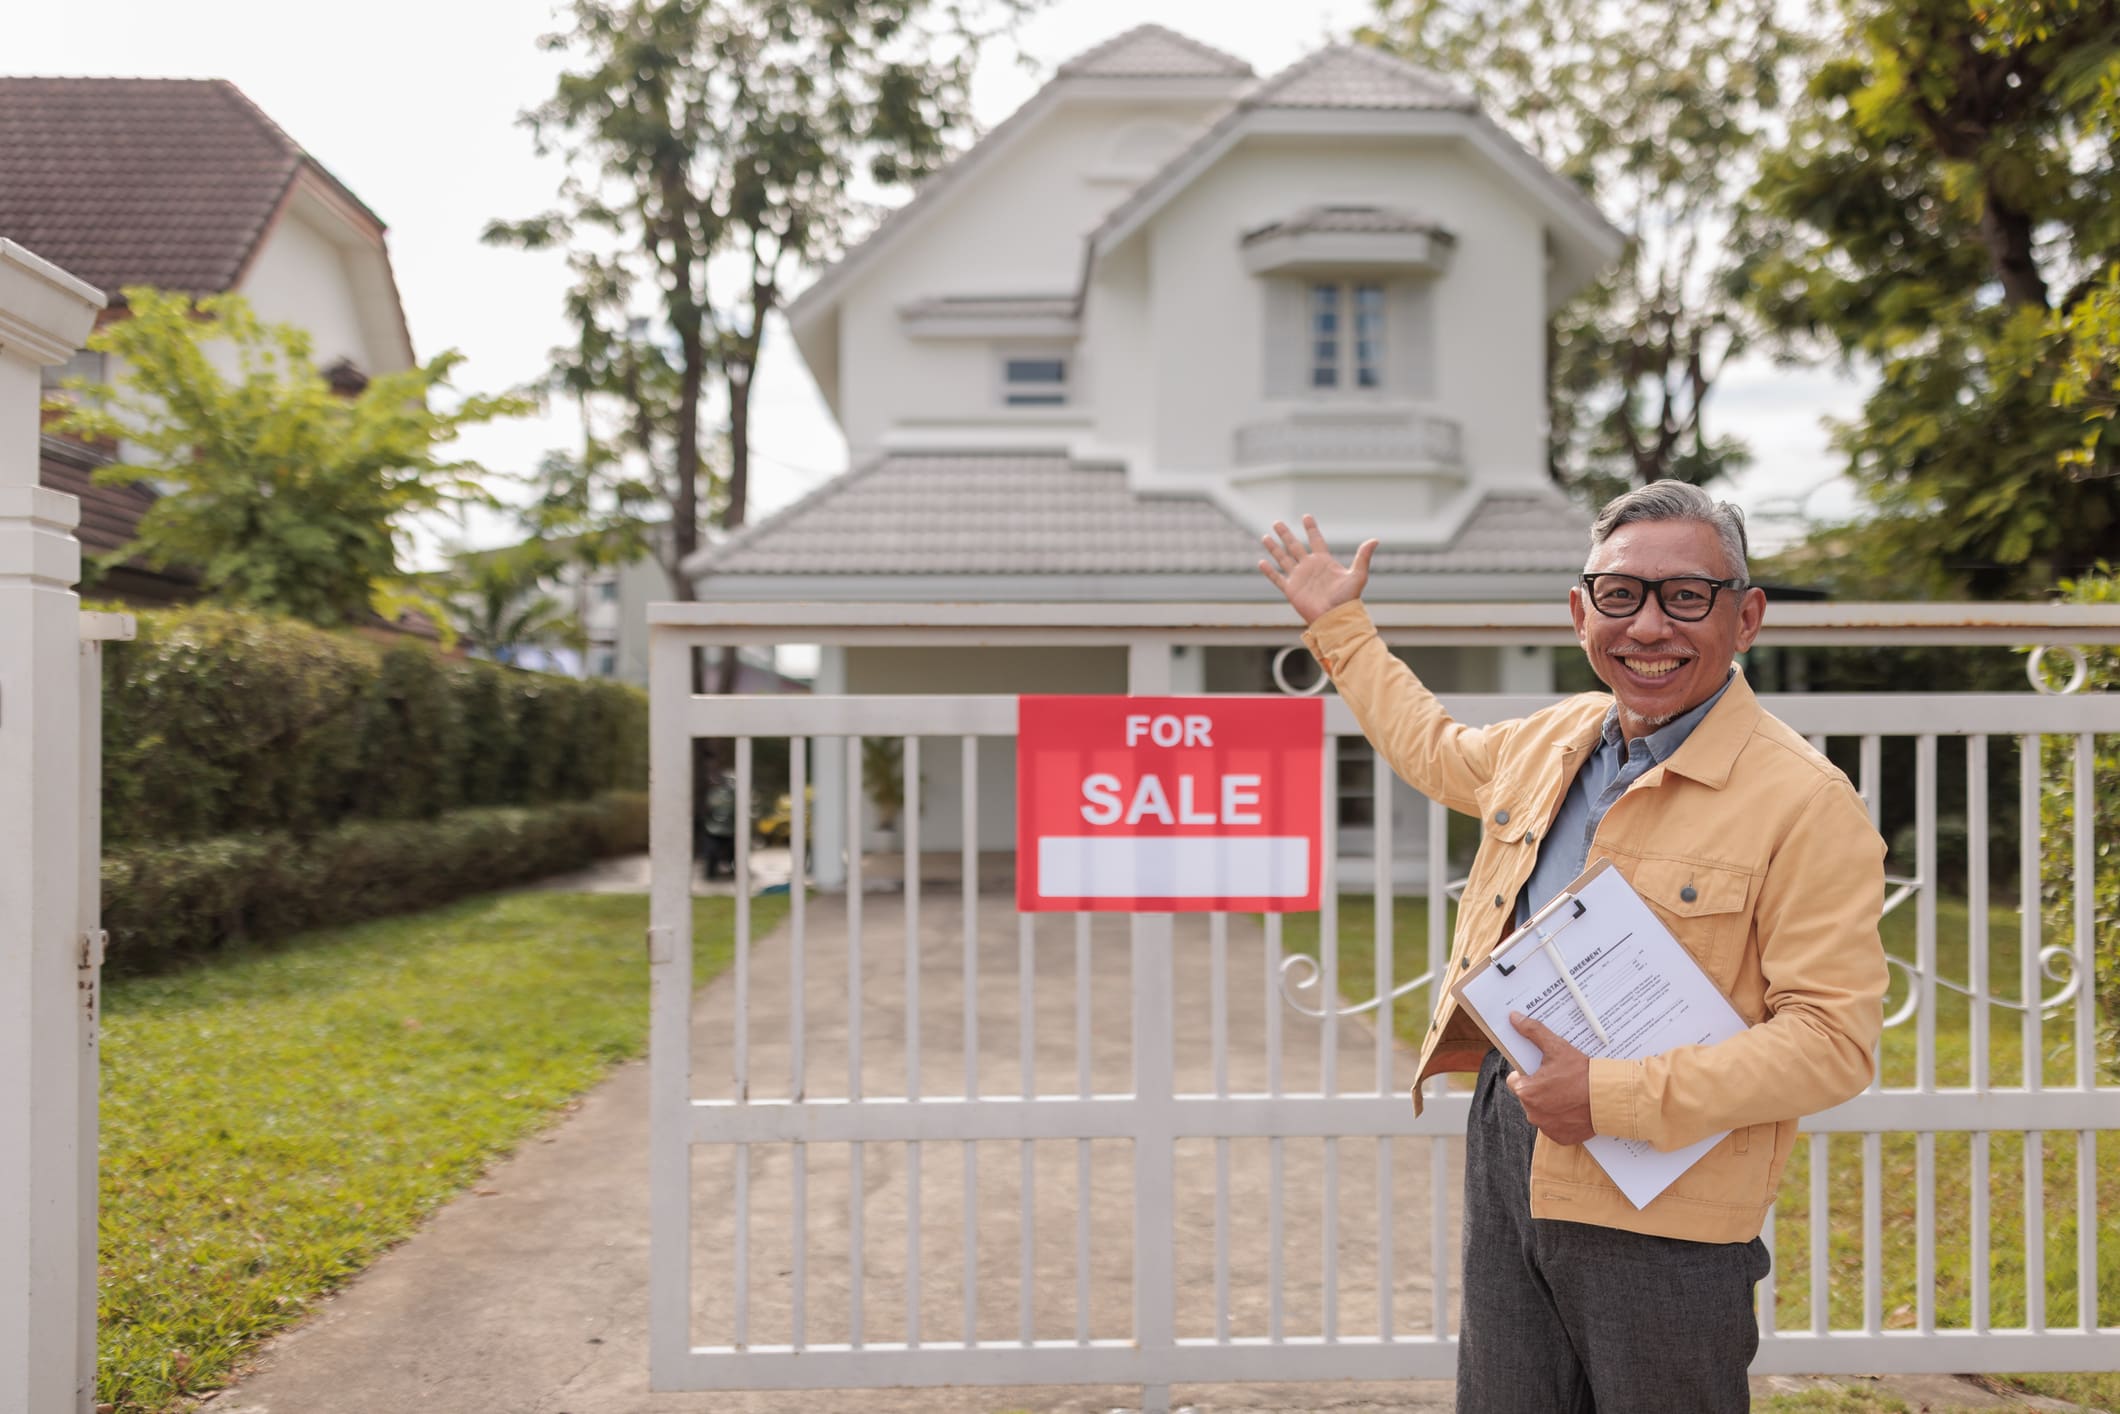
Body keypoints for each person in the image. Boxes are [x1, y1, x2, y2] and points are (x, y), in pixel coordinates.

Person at [1258, 481, 1887, 1413]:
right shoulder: (1551, 742)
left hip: (1668, 1184)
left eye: (1687, 597)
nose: (1648, 626)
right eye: (1621, 595)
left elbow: (1834, 1044)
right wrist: (1342, 627)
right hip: (1513, 1126)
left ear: (1747, 616)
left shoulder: (1804, 800)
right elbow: (1432, 749)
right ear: (1580, 609)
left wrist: (1610, 1096)